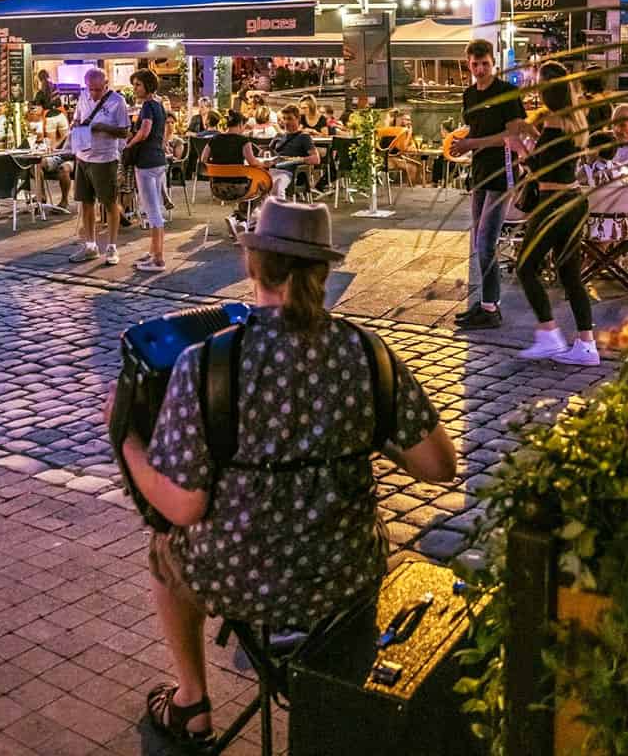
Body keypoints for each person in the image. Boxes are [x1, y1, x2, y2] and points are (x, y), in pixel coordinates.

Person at [120, 198, 456, 747]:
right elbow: (439, 466)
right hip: (343, 575)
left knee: (165, 547)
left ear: (254, 267)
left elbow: (183, 507)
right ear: (324, 272)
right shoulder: (365, 353)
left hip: (233, 574)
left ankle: (192, 703)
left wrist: (130, 443)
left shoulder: (207, 363)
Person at [514, 62, 598, 366]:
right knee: (570, 276)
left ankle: (549, 334)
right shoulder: (575, 119)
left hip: (554, 205)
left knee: (526, 267)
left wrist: (519, 147)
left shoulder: (554, 123)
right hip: (575, 202)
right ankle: (586, 345)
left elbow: (540, 169)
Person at [450, 39, 528, 330]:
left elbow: (513, 136)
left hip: (503, 174)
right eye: (475, 64)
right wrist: (463, 144)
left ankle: (490, 307)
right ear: (468, 64)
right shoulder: (469, 95)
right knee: (479, 243)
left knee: (486, 243)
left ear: (493, 64)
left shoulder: (507, 93)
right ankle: (486, 303)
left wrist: (474, 142)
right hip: (480, 174)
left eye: (485, 64)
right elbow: (475, 128)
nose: (480, 69)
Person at [69, 67, 130, 266]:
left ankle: (112, 247)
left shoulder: (117, 101)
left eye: (98, 89)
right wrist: (76, 126)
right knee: (86, 202)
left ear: (106, 84)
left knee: (109, 202)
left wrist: (102, 127)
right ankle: (90, 245)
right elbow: (77, 118)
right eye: (91, 89)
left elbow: (124, 132)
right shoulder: (83, 96)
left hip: (105, 158)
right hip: (84, 156)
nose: (94, 93)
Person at [125, 69, 169, 272]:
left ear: (147, 86)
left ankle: (158, 258)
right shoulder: (159, 104)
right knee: (156, 207)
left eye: (138, 85)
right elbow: (165, 129)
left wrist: (129, 144)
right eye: (134, 84)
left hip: (146, 162)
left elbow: (145, 131)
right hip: (158, 159)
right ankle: (153, 252)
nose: (135, 88)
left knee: (152, 211)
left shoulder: (148, 106)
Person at [201, 109, 265, 240]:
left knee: (253, 188)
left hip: (217, 189)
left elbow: (203, 160)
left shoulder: (214, 139)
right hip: (239, 189)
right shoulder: (243, 141)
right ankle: (239, 218)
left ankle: (240, 220)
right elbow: (253, 162)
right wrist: (263, 163)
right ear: (241, 124)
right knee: (263, 187)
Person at [263, 104, 321, 199]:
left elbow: (316, 159)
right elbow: (267, 153)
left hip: (290, 173)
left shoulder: (304, 137)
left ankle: (280, 212)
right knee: (254, 183)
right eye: (284, 119)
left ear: (298, 119)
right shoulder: (278, 136)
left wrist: (293, 159)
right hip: (272, 170)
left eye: (289, 118)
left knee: (277, 185)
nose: (286, 122)